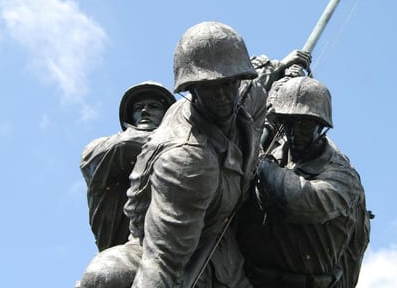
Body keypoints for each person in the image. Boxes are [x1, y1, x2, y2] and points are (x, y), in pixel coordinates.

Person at [79, 21, 310, 288]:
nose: (223, 95)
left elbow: (252, 90)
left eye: (229, 83)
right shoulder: (186, 157)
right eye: (211, 87)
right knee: (104, 277)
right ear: (193, 90)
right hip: (163, 246)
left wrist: (280, 71)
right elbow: (162, 263)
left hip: (222, 248)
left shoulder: (240, 99)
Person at [238, 77, 370, 288]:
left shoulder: (343, 176)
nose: (294, 133)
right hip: (251, 279)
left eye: (304, 125)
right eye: (287, 123)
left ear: (321, 126)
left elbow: (306, 200)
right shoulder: (272, 152)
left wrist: (262, 165)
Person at [80, 81, 175, 251]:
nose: (145, 111)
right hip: (124, 245)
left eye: (153, 106)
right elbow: (120, 148)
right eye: (138, 108)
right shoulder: (103, 146)